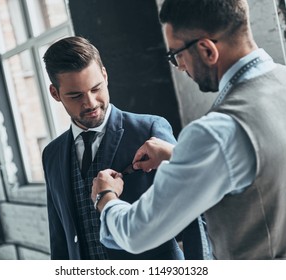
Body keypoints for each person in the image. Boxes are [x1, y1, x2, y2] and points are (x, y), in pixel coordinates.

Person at [91, 0, 286, 260]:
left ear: (206, 50)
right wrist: (181, 154)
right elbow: (278, 158)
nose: (179, 66)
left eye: (176, 54)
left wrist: (106, 196)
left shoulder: (215, 132)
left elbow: (136, 233)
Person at [42, 36, 191, 260]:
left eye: (96, 88)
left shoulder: (149, 129)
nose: (90, 102)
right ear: (55, 93)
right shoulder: (51, 154)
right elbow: (60, 237)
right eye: (76, 95)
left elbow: (187, 211)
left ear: (105, 75)